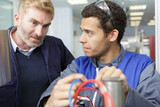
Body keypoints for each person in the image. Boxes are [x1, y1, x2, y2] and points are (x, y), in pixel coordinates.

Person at [38, 0, 160, 107]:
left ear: (112, 35)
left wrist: (126, 94)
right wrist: (49, 103)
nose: (81, 39)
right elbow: (48, 98)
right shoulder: (78, 66)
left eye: (89, 33)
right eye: (82, 31)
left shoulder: (143, 66)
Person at [0, 0, 74, 107]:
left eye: (45, 26)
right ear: (17, 19)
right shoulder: (1, 45)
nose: (39, 33)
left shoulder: (55, 45)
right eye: (34, 23)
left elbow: (77, 72)